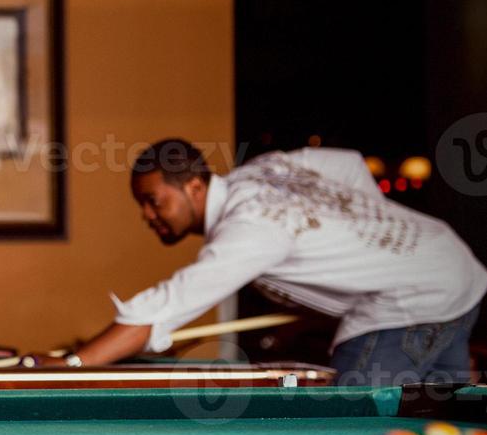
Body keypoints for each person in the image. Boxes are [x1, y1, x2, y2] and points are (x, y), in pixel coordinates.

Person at [59, 139, 486, 384]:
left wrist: (71, 366)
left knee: (346, 428)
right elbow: (349, 165)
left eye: (153, 202)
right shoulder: (268, 170)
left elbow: (166, 304)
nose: (147, 216)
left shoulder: (249, 227)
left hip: (415, 297)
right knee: (447, 426)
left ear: (192, 187)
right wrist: (370, 249)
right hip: (455, 266)